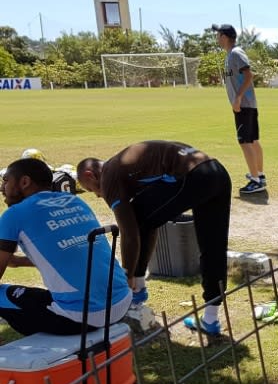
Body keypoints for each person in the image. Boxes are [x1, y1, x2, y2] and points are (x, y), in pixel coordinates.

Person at [77, 141, 233, 335]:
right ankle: (211, 319)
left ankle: (137, 292)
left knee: (138, 219)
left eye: (92, 190)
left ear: (89, 175)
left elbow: (130, 233)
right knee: (214, 247)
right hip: (217, 171)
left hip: (193, 176)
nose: (98, 196)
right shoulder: (123, 166)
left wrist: (128, 274)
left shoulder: (109, 176)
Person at [0, 158, 130, 336]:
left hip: (82, 317)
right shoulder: (75, 201)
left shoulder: (14, 215)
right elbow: (70, 252)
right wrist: (17, 261)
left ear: (24, 182)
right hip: (122, 301)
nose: (2, 188)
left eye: (6, 181)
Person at [213, 23, 267, 196]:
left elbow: (249, 76)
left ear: (224, 37)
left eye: (218, 34)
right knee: (252, 140)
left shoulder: (236, 53)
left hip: (243, 105)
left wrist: (237, 98)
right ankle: (259, 175)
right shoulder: (230, 55)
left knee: (245, 142)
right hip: (246, 104)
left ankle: (255, 180)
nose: (216, 37)